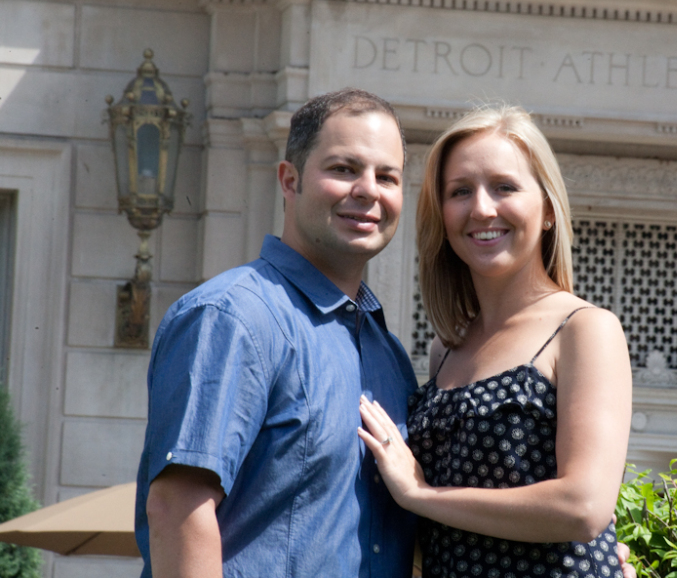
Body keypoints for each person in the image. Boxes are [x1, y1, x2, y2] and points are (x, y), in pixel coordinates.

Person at [134, 89, 418, 578]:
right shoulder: (231, 319)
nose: (369, 190)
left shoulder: (386, 352)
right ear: (290, 180)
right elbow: (177, 507)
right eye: (344, 169)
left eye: (386, 176)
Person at [359, 106, 633, 577]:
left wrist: (422, 496)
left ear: (547, 209)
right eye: (460, 191)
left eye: (504, 187)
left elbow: (584, 506)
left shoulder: (584, 329)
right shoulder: (444, 350)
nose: (482, 208)